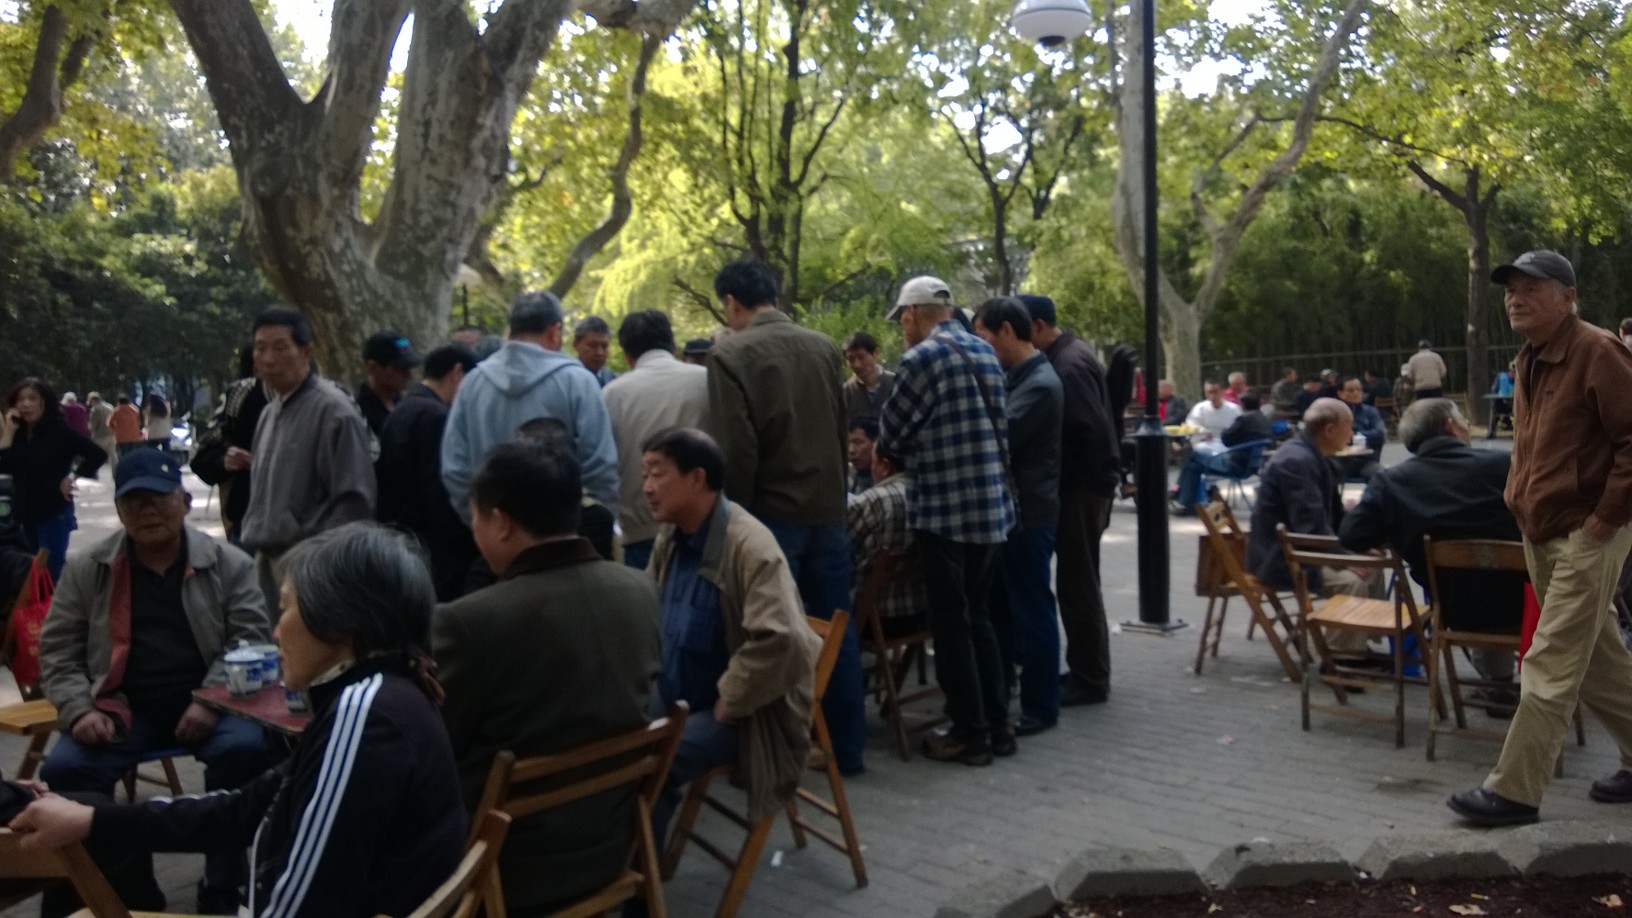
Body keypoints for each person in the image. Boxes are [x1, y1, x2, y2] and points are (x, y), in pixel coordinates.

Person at [9, 524, 469, 917]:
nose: (275, 630)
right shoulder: (386, 693)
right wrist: (93, 819)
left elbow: (299, 903)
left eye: (286, 608)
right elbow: (245, 809)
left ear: (339, 622)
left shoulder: (365, 714)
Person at [36, 448, 272, 911]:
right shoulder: (89, 569)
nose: (147, 512)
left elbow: (250, 641)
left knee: (243, 751)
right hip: (121, 705)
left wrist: (209, 701)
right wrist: (79, 710)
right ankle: (125, 889)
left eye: (159, 499)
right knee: (66, 769)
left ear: (184, 503)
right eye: (134, 502)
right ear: (119, 510)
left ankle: (223, 884)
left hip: (213, 701)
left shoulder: (229, 563)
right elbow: (58, 652)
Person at [433, 439, 660, 915]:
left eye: (475, 516)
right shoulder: (640, 590)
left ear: (501, 522)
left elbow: (439, 745)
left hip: (503, 864)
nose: (473, 528)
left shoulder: (471, 622)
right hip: (615, 845)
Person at [1448, 250, 1632, 827]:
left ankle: (1514, 791)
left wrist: (1604, 521)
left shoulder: (1599, 351)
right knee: (1599, 660)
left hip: (1587, 532)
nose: (1516, 299)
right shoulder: (1529, 356)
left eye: (1532, 289)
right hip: (1541, 530)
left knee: (1549, 660)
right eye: (1511, 290)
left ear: (1568, 297)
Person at [705, 261, 864, 775]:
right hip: (827, 510)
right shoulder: (822, 346)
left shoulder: (729, 354)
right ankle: (847, 746)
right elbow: (840, 430)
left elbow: (737, 451)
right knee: (836, 627)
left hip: (771, 516)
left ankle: (773, 753)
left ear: (732, 303)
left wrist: (736, 523)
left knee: (770, 637)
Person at [642, 428, 820, 847]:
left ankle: (640, 878)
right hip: (674, 692)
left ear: (696, 478)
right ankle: (627, 865)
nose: (646, 487)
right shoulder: (672, 535)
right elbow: (648, 604)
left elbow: (783, 639)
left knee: (649, 765)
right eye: (644, 474)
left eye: (657, 473)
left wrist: (732, 699)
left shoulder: (749, 546)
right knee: (609, 740)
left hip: (742, 712)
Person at [880, 277, 1016, 763]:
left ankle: (969, 734)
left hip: (944, 511)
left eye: (902, 319)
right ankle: (998, 727)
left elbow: (891, 434)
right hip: (991, 509)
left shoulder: (921, 359)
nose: (902, 328)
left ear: (912, 313)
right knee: (979, 618)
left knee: (951, 624)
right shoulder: (985, 352)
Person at [1338, 398, 1522, 696]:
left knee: (1469, 584)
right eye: (1463, 421)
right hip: (1527, 604)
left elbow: (1352, 536)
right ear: (1451, 427)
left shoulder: (1392, 482)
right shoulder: (1503, 466)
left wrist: (1396, 529)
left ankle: (1497, 685)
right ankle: (1509, 685)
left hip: (1450, 610)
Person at [1018, 293, 1121, 710]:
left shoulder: (1068, 364)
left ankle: (1090, 678)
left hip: (1082, 489)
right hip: (1086, 487)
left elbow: (1087, 431)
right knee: (1078, 582)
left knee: (1078, 585)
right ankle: (1085, 669)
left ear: (1038, 326)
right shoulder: (1069, 356)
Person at [238, 309, 377, 614]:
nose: (268, 359)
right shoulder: (269, 412)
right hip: (266, 560)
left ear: (307, 351)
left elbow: (354, 503)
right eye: (260, 348)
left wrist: (318, 561)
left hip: (309, 566)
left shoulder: (334, 411)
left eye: (280, 347)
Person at [442, 291, 618, 525]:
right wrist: (593, 522)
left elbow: (455, 469)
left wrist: (482, 521)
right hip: (563, 532)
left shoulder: (472, 384)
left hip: (493, 529)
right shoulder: (578, 381)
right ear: (555, 331)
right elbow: (600, 464)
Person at [974, 298, 1063, 736]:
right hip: (1017, 511)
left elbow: (998, 434)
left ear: (1007, 331)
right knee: (1008, 608)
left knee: (1032, 610)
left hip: (1029, 513)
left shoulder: (1040, 384)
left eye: (984, 338)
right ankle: (1010, 691)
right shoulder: (1022, 377)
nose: (983, 349)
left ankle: (1041, 706)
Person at [1245, 398, 1382, 655]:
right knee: (1352, 581)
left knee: (1373, 565)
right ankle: (1342, 656)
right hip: (1282, 559)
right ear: (1329, 430)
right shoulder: (1297, 461)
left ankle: (1359, 642)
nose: (1352, 433)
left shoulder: (1311, 454)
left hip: (1300, 549)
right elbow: (1310, 528)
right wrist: (1347, 559)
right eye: (1349, 427)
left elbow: (1329, 516)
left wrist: (1359, 545)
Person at [601, 310, 709, 571]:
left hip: (640, 527)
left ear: (627, 355)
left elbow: (603, 467)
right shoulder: (706, 381)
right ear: (673, 346)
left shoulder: (611, 395)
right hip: (702, 522)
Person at [377, 343, 479, 600]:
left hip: (402, 538)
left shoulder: (403, 408)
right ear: (457, 373)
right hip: (433, 547)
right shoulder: (435, 416)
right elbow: (438, 489)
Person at [0, 378, 107, 580]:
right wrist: (9, 432)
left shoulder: (59, 431)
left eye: (32, 398)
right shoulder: (18, 433)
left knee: (50, 574)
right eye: (21, 399)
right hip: (23, 515)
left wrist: (73, 477)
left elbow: (98, 454)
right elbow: (5, 468)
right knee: (26, 575)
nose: (26, 404)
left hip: (53, 513)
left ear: (44, 402)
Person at [191, 344, 269, 546]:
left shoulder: (322, 400)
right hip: (250, 517)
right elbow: (203, 456)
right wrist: (225, 461)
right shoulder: (242, 393)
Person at [847, 446, 927, 637]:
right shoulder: (925, 494)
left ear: (885, 466)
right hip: (919, 616)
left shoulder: (876, 499)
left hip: (874, 620)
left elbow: (841, 539)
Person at [1171, 391, 1273, 513]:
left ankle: (1181, 496)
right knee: (1194, 467)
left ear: (1243, 405)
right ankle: (1185, 499)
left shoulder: (1244, 419)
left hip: (1234, 464)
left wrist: (1227, 431)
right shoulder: (1264, 420)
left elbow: (1226, 439)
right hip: (1252, 465)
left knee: (1193, 455)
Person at [356, 330, 421, 438]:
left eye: (409, 368)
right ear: (373, 367)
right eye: (399, 369)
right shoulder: (359, 415)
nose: (409, 376)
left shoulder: (408, 403)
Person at [1336, 375, 1386, 482]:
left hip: (1366, 462)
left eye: (1359, 389)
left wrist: (1354, 436)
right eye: (1350, 390)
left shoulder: (1371, 412)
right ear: (1340, 393)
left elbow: (1379, 433)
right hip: (1339, 463)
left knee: (1382, 475)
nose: (1356, 393)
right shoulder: (1334, 413)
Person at [842, 330, 896, 420]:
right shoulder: (847, 391)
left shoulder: (895, 383)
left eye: (861, 357)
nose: (857, 365)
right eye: (851, 359)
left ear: (876, 354)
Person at [573, 316, 618, 387]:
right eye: (592, 345)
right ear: (576, 345)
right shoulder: (566, 379)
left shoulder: (614, 381)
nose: (599, 353)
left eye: (604, 346)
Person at [847, 415, 878, 496]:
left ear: (875, 443)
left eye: (858, 443)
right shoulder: (848, 477)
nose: (851, 450)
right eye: (849, 443)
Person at [1489, 362, 1516, 438]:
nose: (1514, 374)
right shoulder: (1501, 377)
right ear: (1510, 371)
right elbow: (1494, 390)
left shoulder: (1518, 381)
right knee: (1494, 407)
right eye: (1513, 372)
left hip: (1513, 404)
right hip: (1500, 402)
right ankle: (1491, 432)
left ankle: (1510, 425)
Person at [86, 392, 115, 462]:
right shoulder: (110, 406)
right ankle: (116, 469)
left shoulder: (95, 409)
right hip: (111, 434)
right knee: (113, 455)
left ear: (92, 400)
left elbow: (92, 425)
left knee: (95, 455)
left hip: (100, 435)